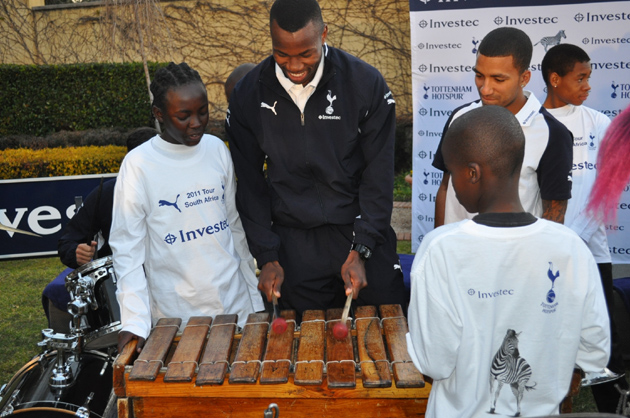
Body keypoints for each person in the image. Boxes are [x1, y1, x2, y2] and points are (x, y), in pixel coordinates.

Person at [406, 105, 610, 418]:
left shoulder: (441, 249)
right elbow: (595, 353)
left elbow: (433, 361)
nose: (450, 182)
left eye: (452, 170)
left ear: (472, 173)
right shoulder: (571, 248)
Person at [226, 0, 406, 317]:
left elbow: (377, 177)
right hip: (295, 245)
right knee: (303, 351)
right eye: (282, 54)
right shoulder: (247, 95)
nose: (294, 65)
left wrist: (362, 249)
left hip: (357, 230)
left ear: (323, 34)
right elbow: (251, 185)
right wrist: (267, 256)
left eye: (305, 53)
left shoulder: (365, 85)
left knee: (384, 333)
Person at [110, 62, 264, 353]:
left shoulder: (217, 149)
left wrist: (254, 303)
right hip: (176, 321)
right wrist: (134, 320)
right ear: (159, 114)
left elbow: (235, 227)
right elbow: (127, 251)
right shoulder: (139, 165)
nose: (196, 123)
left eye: (202, 111)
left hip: (235, 309)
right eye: (184, 116)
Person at [542, 43, 629, 412]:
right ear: (555, 79)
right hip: (547, 255)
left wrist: (573, 236)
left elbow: (607, 188)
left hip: (592, 253)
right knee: (549, 333)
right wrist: (554, 240)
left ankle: (613, 406)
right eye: (581, 78)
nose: (588, 85)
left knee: (602, 335)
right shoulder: (531, 125)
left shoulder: (598, 123)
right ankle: (551, 403)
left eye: (589, 77)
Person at [433, 27, 573, 227]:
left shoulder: (552, 134)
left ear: (524, 78)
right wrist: (436, 241)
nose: (485, 88)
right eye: (480, 76)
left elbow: (554, 215)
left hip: (516, 255)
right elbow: (446, 187)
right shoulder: (459, 117)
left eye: (498, 79)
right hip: (455, 253)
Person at [43, 127, 157, 333]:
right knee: (57, 293)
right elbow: (67, 241)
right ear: (129, 161)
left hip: (172, 275)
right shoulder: (106, 193)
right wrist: (76, 252)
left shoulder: (178, 187)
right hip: (122, 277)